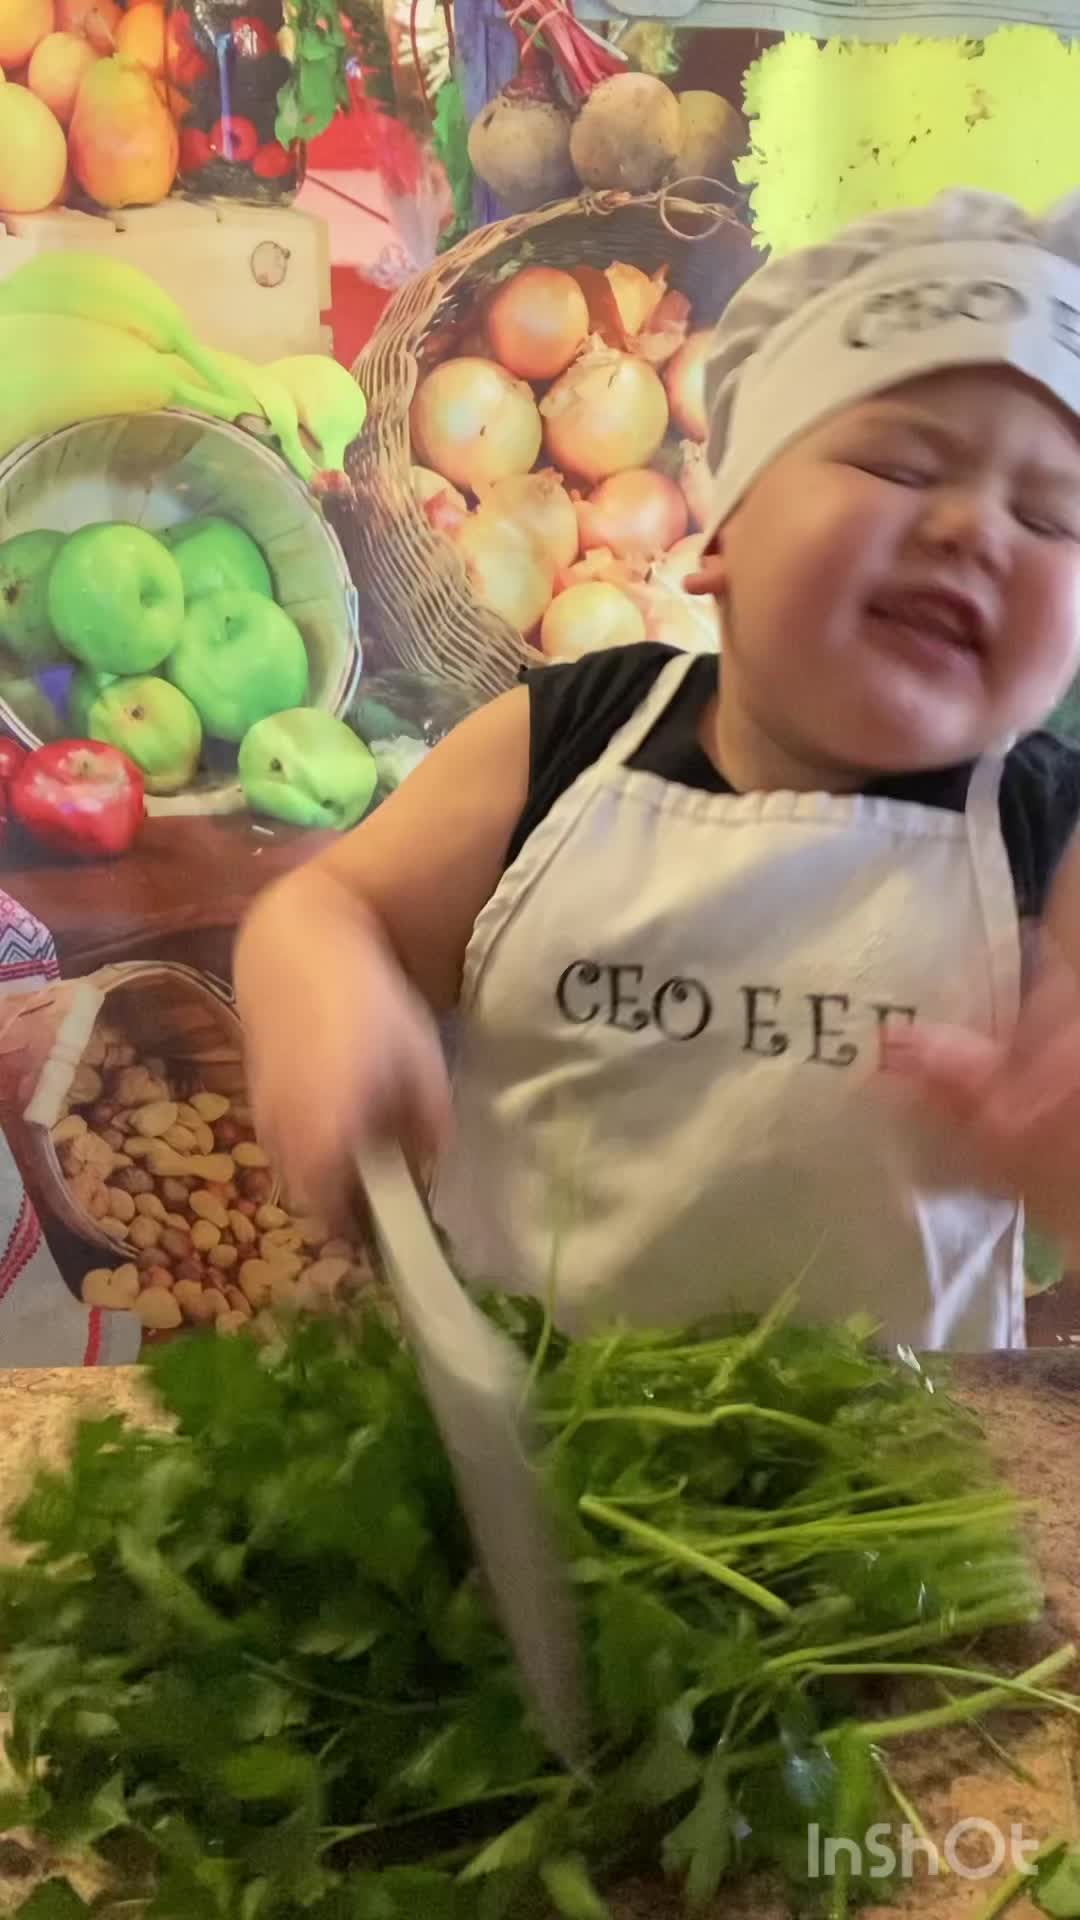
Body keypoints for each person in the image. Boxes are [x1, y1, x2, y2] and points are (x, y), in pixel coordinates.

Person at [235, 189, 1080, 1352]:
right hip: (518, 1428)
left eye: (1052, 519)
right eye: (899, 465)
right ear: (718, 535)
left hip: (882, 1452)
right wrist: (332, 990)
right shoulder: (567, 738)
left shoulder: (1053, 839)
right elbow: (333, 907)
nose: (974, 530)